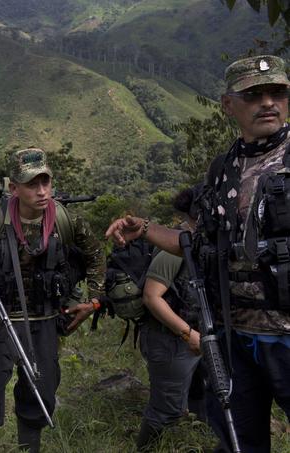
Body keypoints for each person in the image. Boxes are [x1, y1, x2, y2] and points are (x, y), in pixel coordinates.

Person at [106, 55, 290, 452]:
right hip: (233, 336)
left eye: (277, 92)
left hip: (287, 334)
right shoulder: (223, 168)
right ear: (228, 104)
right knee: (239, 441)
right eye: (254, 95)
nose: (268, 103)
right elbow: (196, 244)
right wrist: (146, 229)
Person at [0, 148, 105, 453]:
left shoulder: (66, 220)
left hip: (45, 323)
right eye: (32, 184)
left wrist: (93, 301)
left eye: (46, 182)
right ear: (14, 188)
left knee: (39, 396)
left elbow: (96, 255)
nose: (42, 191)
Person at [135, 186, 207, 450]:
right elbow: (152, 297)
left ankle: (200, 440)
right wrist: (188, 334)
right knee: (166, 409)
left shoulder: (204, 241)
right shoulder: (176, 245)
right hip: (170, 339)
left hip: (199, 334)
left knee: (206, 394)